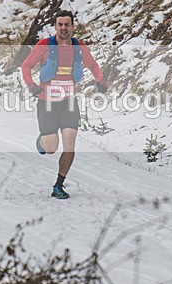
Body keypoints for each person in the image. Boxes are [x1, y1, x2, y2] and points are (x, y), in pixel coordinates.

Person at [20, 10, 107, 199]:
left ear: (73, 26)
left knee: (70, 144)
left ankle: (58, 185)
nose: (64, 28)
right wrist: (31, 85)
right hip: (47, 103)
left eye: (67, 24)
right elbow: (26, 65)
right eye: (60, 24)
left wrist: (100, 80)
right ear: (55, 27)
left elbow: (92, 65)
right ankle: (44, 141)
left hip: (69, 102)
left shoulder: (79, 47)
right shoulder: (44, 45)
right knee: (51, 148)